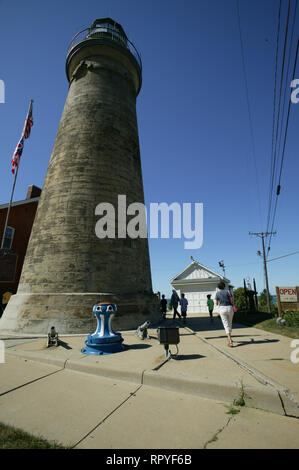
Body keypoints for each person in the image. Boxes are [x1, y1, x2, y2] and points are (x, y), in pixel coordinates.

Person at [215, 282, 234, 347]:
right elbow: (232, 300)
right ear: (224, 286)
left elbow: (217, 303)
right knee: (230, 323)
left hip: (222, 309)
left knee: (226, 325)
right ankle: (229, 337)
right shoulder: (228, 292)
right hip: (230, 308)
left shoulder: (217, 293)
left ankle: (230, 341)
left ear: (219, 287)